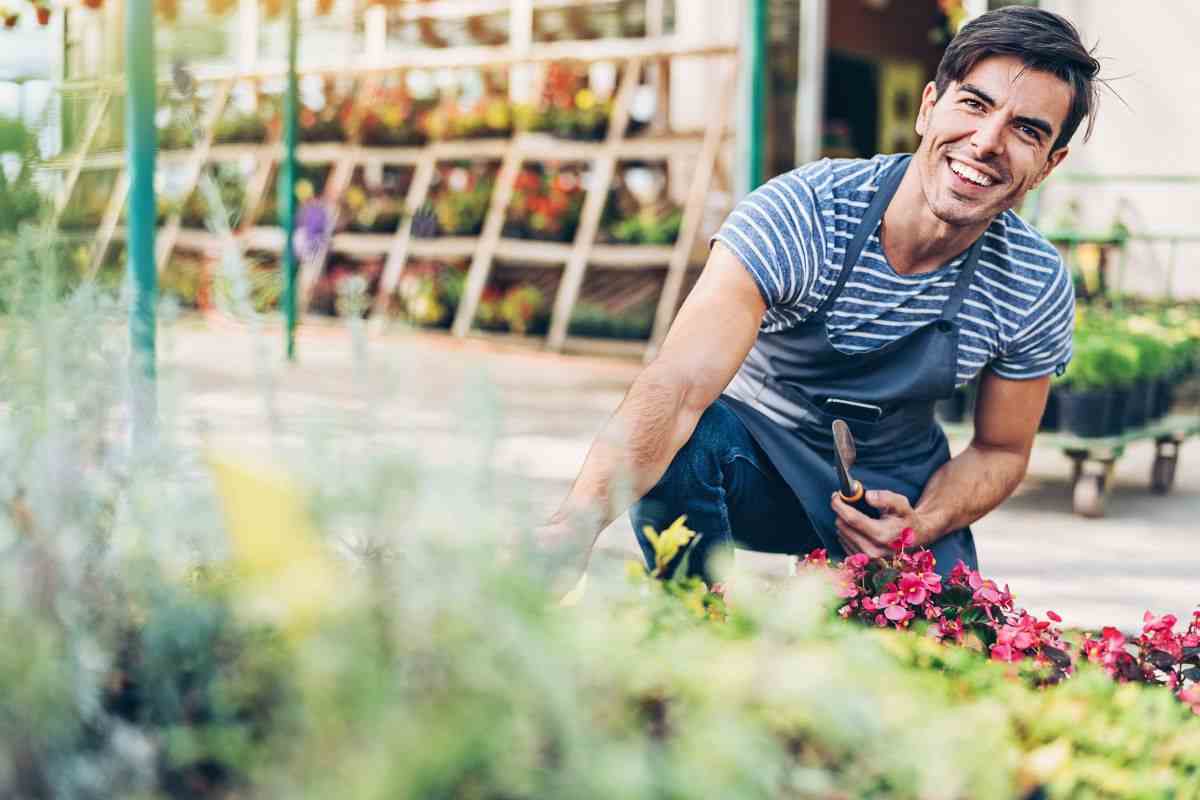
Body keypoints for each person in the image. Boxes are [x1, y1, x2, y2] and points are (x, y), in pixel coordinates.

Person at [538, 6, 1102, 585]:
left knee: (947, 645)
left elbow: (1002, 450)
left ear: (1049, 164)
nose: (987, 142)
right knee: (686, 440)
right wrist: (575, 526)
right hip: (758, 465)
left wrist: (922, 523)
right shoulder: (807, 212)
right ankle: (694, 629)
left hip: (899, 493)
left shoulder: (1031, 281)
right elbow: (676, 385)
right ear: (929, 107)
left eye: (1026, 130)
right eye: (974, 105)